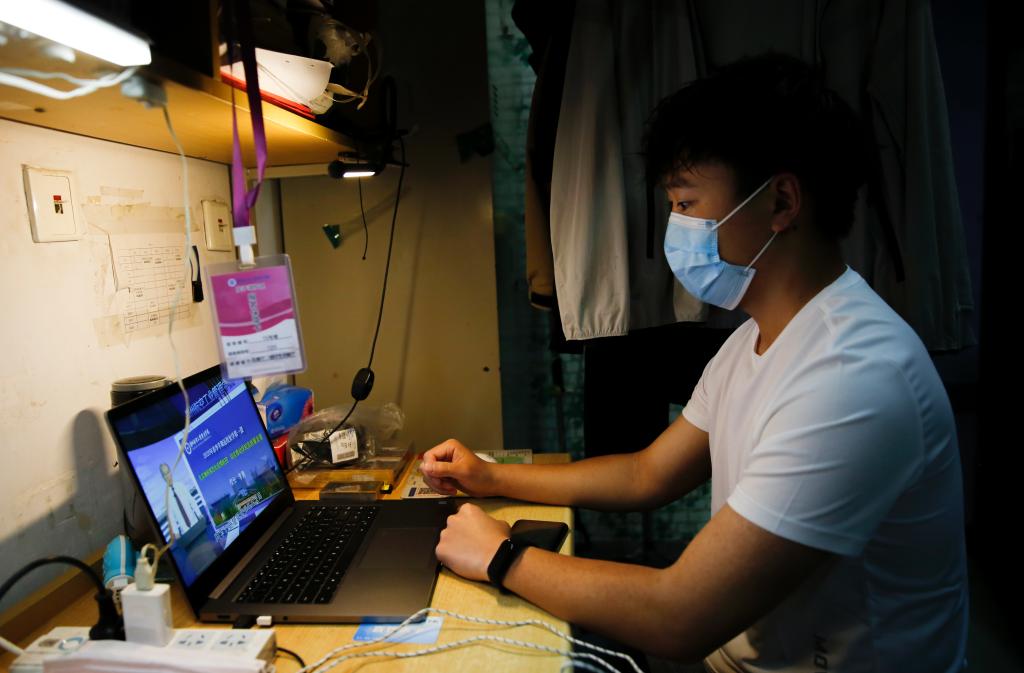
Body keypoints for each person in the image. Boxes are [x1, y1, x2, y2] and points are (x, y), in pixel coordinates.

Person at [419, 54, 969, 671]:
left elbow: (678, 617)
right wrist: (492, 477)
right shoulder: (757, 337)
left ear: (781, 201)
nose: (676, 229)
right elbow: (647, 474)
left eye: (686, 203)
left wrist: (501, 557)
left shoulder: (851, 378)